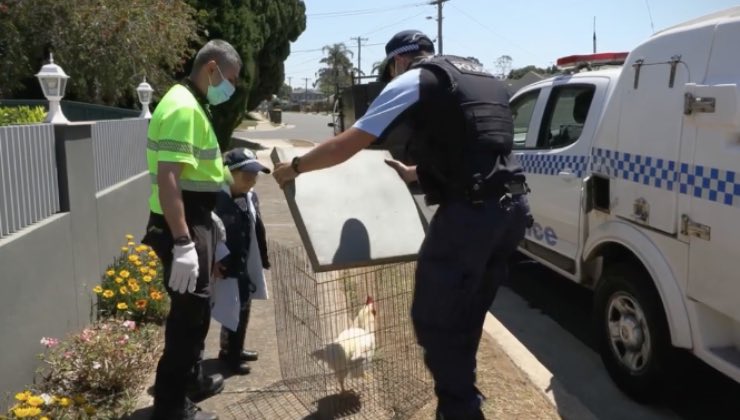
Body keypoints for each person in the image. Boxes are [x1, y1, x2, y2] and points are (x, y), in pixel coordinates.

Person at [273, 30, 532, 420]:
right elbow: (473, 148)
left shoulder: (415, 79)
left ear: (397, 61)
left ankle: (460, 410)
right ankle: (464, 396)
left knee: (434, 319)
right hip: (510, 210)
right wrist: (415, 174)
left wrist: (294, 168)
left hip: (470, 216)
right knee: (467, 313)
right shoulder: (475, 76)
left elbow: (348, 143)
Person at [142, 39, 242, 420]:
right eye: (229, 79)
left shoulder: (192, 102)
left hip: (195, 217)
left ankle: (191, 381)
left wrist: (208, 217)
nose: (230, 88)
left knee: (196, 314)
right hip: (181, 226)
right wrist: (183, 240)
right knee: (187, 320)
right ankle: (170, 406)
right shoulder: (184, 108)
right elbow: (169, 178)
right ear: (212, 68)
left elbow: (193, 174)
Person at [212, 148, 271, 375]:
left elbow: (256, 227)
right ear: (227, 173)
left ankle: (236, 348)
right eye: (246, 175)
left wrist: (262, 258)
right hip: (226, 265)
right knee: (230, 308)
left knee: (244, 307)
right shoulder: (216, 199)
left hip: (245, 261)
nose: (252, 180)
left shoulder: (250, 196)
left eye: (255, 175)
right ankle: (228, 354)